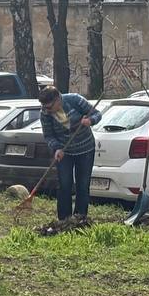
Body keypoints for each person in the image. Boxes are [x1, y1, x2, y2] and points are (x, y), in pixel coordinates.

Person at [39, 86, 102, 222]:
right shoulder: (45, 113)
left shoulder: (75, 100)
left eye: (49, 107)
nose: (47, 110)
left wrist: (90, 121)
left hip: (85, 149)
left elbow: (97, 114)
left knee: (83, 185)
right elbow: (48, 135)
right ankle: (64, 220)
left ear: (58, 99)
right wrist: (56, 148)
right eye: (44, 107)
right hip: (64, 152)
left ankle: (80, 218)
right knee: (64, 185)